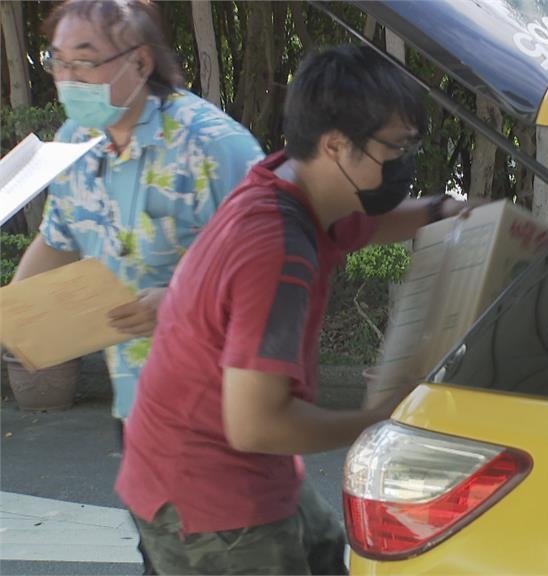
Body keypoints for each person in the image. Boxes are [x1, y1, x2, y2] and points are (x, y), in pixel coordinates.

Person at [115, 45, 466, 575]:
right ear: (335, 146)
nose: (403, 164)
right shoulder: (278, 250)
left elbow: (371, 224)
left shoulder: (290, 183)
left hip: (219, 461)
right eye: (394, 149)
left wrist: (447, 211)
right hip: (209, 495)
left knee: (324, 552)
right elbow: (256, 425)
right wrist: (378, 421)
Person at [13, 0, 265, 427]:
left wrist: (179, 303)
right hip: (136, 405)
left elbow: (277, 265)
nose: (68, 78)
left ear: (141, 61)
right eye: (58, 61)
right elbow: (58, 239)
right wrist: (14, 317)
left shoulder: (215, 146)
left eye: (85, 62)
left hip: (225, 407)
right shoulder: (75, 141)